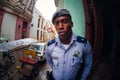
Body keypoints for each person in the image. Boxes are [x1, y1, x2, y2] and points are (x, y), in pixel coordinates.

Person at [45, 9, 93, 80]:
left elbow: (88, 65)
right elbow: (50, 62)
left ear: (71, 24)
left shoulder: (83, 44)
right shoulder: (50, 46)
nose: (60, 27)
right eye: (57, 23)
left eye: (64, 21)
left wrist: (83, 78)